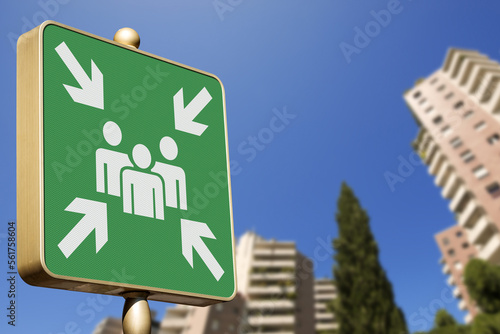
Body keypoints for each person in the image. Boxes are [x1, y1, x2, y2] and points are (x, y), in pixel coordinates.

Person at [122, 144, 164, 220]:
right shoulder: (128, 174)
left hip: (153, 219)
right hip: (132, 217)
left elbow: (159, 207)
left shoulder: (156, 179)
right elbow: (127, 202)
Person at [96, 121, 132, 196]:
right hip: (106, 193)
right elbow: (100, 181)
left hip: (120, 193)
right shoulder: (101, 153)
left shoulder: (125, 157)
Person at [151, 136, 187, 210]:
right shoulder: (156, 167)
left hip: (175, 207)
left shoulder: (179, 171)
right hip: (161, 205)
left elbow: (181, 192)